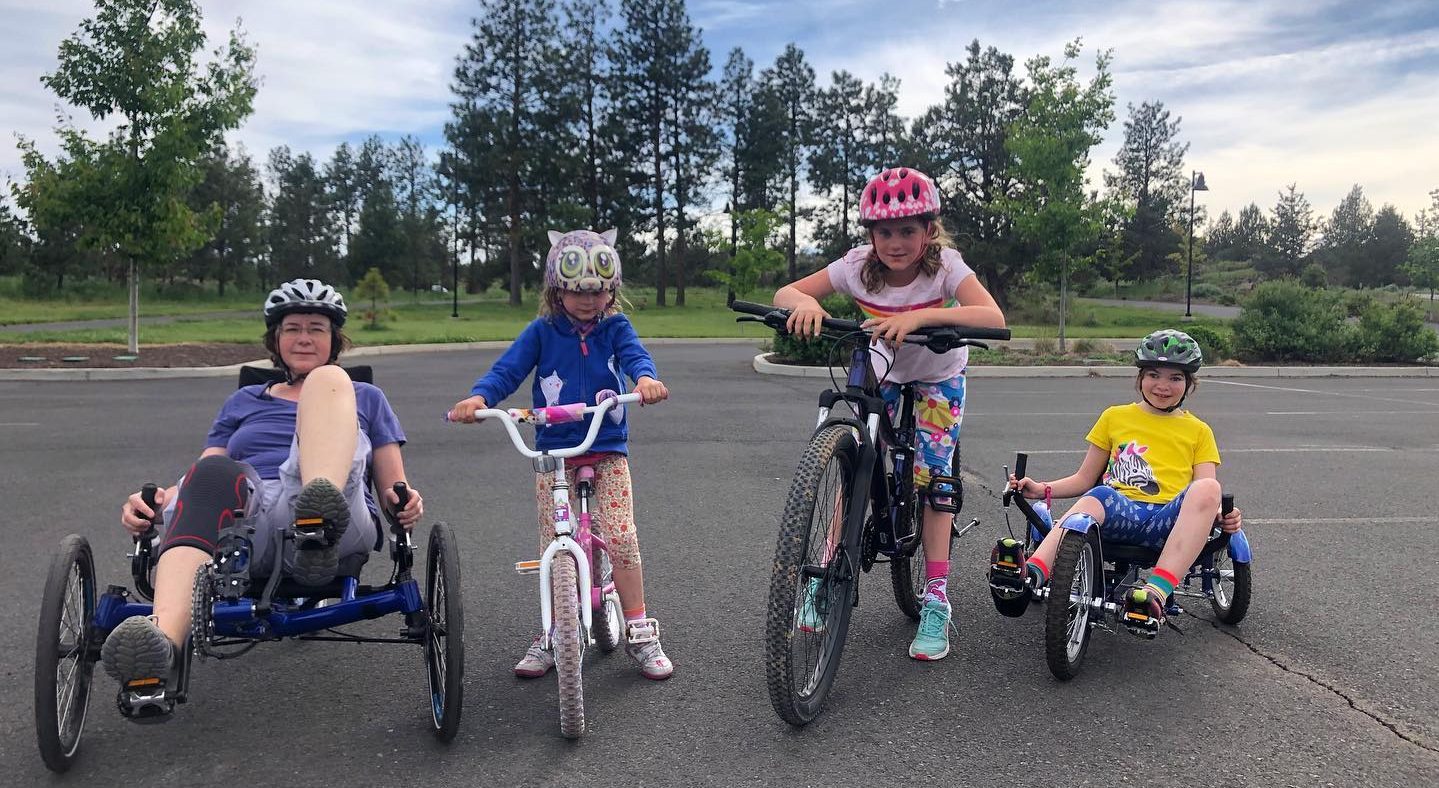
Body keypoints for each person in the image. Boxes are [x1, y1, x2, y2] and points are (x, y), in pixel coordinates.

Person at [104, 278, 424, 691]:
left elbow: (392, 484)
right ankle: (161, 641)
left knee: (328, 384)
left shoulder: (364, 395)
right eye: (293, 328)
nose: (304, 338)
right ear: (276, 340)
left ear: (335, 340)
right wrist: (153, 503)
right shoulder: (244, 401)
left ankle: (316, 523)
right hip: (248, 516)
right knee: (214, 474)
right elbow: (206, 473)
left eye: (316, 328)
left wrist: (404, 501)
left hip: (339, 511)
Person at [772, 167, 1007, 661]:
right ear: (870, 235)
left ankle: (937, 597)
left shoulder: (946, 266)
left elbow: (992, 317)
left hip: (938, 372)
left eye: (907, 230)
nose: (895, 242)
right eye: (884, 231)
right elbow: (787, 293)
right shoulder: (856, 266)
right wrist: (804, 305)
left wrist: (919, 316)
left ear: (929, 230)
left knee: (933, 481)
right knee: (855, 463)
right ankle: (827, 569)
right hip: (883, 367)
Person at [448, 228, 674, 680]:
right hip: (553, 449)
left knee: (621, 534)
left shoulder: (616, 328)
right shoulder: (543, 332)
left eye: (599, 291)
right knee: (554, 541)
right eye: (577, 292)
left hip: (605, 447)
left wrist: (645, 380)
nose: (589, 301)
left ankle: (638, 627)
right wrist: (479, 398)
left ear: (611, 290)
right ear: (557, 289)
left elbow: (635, 357)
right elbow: (507, 369)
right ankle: (553, 630)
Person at [988, 329, 1244, 633]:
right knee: (1098, 492)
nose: (1163, 386)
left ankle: (1153, 595)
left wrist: (1222, 518)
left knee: (1210, 488)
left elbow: (1204, 492)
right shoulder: (1114, 417)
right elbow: (1084, 478)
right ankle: (1031, 573)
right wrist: (1041, 488)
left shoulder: (1199, 431)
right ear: (1139, 379)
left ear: (1189, 384)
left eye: (1175, 378)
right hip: (1119, 510)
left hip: (1168, 521)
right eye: (1153, 375)